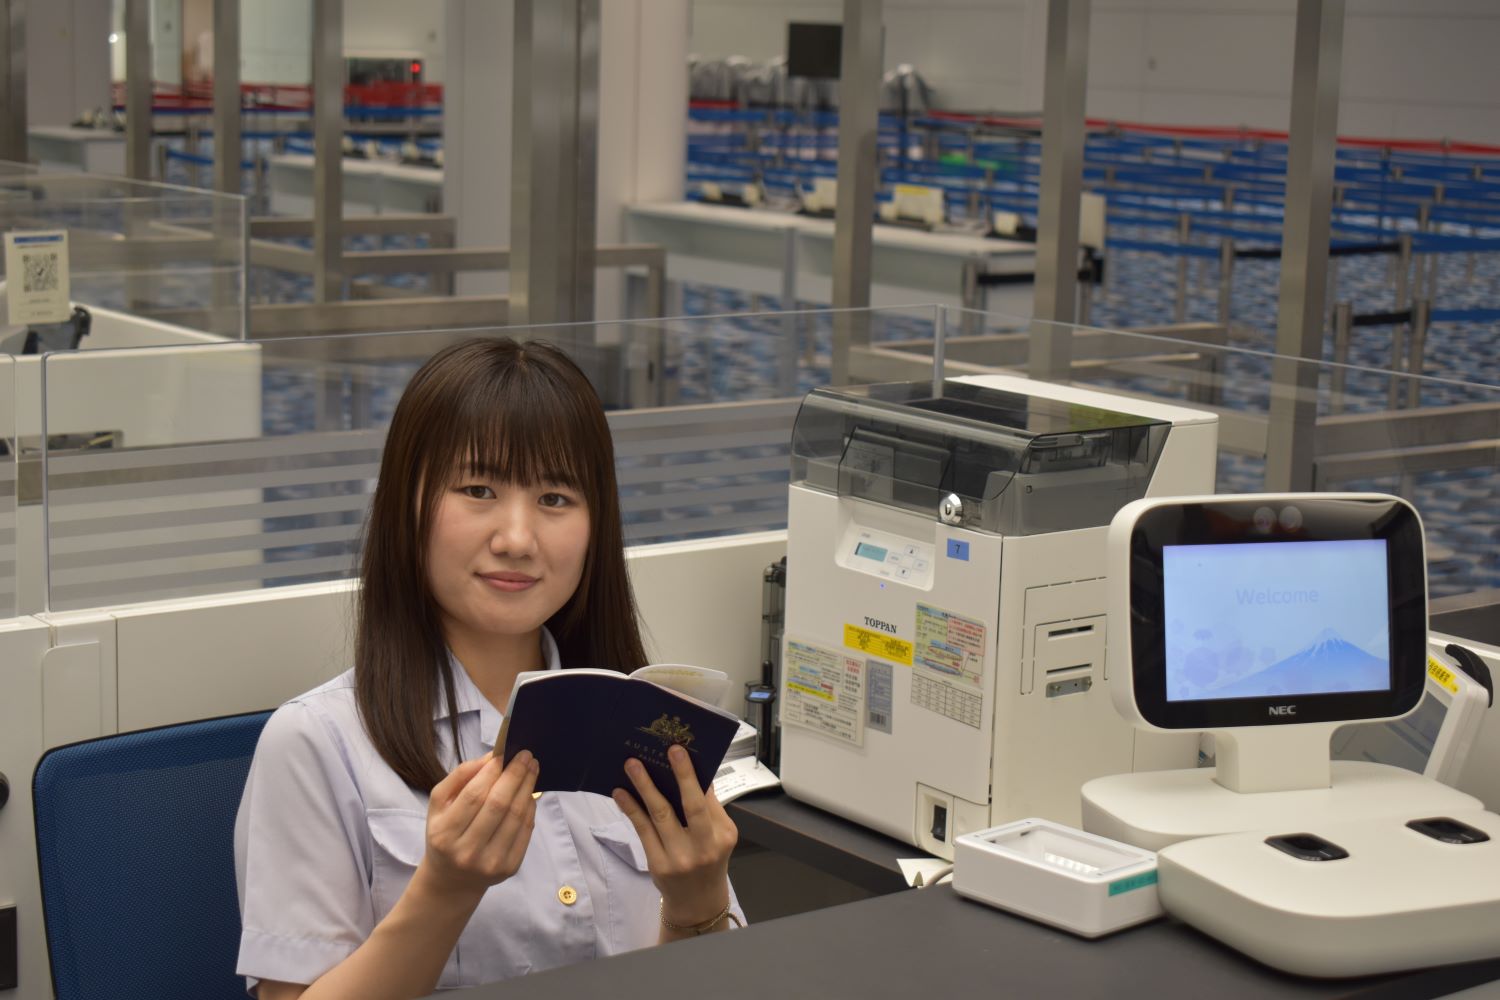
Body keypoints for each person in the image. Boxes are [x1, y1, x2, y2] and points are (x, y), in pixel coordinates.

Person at [234, 338, 743, 998]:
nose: (517, 539)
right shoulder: (315, 744)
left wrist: (698, 908)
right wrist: (446, 890)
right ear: (407, 506)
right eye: (478, 490)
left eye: (555, 498)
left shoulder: (647, 726)